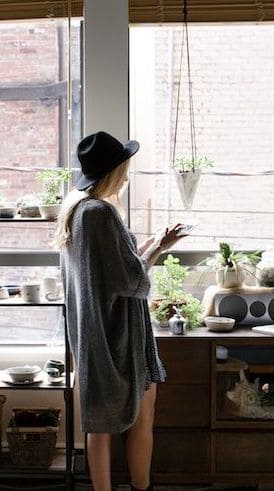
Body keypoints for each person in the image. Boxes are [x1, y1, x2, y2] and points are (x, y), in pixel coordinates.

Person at [53, 131, 188, 491]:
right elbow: (131, 280)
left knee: (98, 423)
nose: (128, 175)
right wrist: (160, 247)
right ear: (113, 171)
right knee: (143, 417)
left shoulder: (77, 211)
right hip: (120, 337)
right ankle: (141, 488)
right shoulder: (101, 213)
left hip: (93, 335)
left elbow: (111, 266)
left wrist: (147, 244)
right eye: (124, 168)